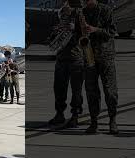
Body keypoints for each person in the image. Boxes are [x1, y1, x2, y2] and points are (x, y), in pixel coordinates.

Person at [82, 0, 118, 134]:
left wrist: (95, 29)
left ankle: (112, 120)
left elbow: (112, 31)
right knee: (91, 91)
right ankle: (94, 121)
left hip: (105, 55)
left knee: (110, 90)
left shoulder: (106, 10)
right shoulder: (83, 12)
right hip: (89, 55)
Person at [48, 1, 84, 128]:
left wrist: (76, 29)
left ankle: (75, 115)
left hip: (76, 58)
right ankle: (59, 114)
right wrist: (55, 32)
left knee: (76, 90)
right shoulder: (60, 13)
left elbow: (87, 33)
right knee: (59, 88)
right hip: (61, 58)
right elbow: (52, 36)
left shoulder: (79, 14)